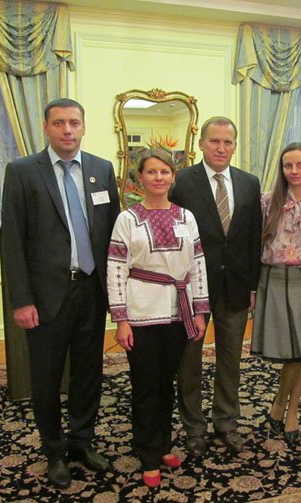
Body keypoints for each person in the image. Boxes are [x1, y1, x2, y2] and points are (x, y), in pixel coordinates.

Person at [0, 98, 120, 489]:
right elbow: (13, 241)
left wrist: (117, 294)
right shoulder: (22, 172)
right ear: (46, 128)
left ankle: (81, 441)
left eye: (74, 123)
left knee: (89, 374)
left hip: (92, 290)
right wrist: (21, 300)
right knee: (47, 379)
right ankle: (54, 451)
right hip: (47, 295)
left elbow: (114, 236)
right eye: (59, 123)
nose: (67, 130)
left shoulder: (102, 170)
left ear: (84, 127)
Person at [107, 148, 209, 488]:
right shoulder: (127, 219)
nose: (159, 177)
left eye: (165, 172)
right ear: (140, 178)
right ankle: (148, 452)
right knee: (146, 385)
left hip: (178, 314)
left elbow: (197, 265)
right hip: (140, 314)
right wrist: (121, 319)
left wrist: (199, 310)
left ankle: (164, 443)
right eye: (152, 172)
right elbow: (116, 269)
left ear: (173, 177)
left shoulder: (186, 217)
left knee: (168, 384)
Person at [170, 116, 262, 457]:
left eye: (228, 142)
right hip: (193, 290)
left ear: (235, 146)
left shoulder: (249, 183)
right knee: (189, 361)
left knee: (230, 360)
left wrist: (253, 285)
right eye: (214, 141)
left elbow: (252, 238)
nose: (221, 148)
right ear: (201, 144)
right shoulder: (181, 182)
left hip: (235, 288)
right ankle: (193, 427)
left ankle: (226, 422)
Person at [250, 142, 301, 448]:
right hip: (275, 280)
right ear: (281, 169)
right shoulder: (267, 202)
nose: (294, 171)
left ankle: (287, 410)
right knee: (289, 350)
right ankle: (282, 406)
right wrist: (252, 287)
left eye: (300, 165)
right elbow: (252, 245)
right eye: (288, 165)